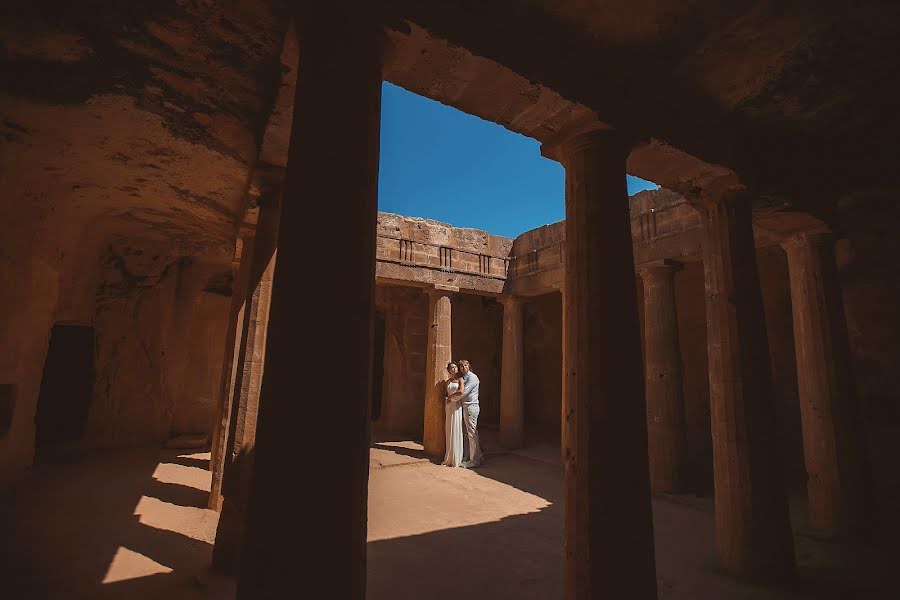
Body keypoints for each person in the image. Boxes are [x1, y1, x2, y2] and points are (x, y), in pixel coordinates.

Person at [457, 359, 484, 468]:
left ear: (468, 366)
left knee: (472, 433)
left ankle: (475, 460)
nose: (463, 367)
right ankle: (472, 456)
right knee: (467, 433)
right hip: (466, 407)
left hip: (471, 407)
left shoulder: (472, 377)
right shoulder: (464, 377)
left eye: (465, 365)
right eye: (461, 366)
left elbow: (464, 392)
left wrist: (450, 399)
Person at [441, 361, 464, 467]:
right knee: (449, 429)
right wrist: (447, 398)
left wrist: (450, 397)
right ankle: (448, 458)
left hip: (456, 405)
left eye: (455, 367)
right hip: (449, 406)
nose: (453, 369)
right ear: (449, 370)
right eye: (451, 368)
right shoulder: (448, 381)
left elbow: (461, 391)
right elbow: (446, 393)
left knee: (456, 428)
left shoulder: (460, 379)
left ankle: (456, 458)